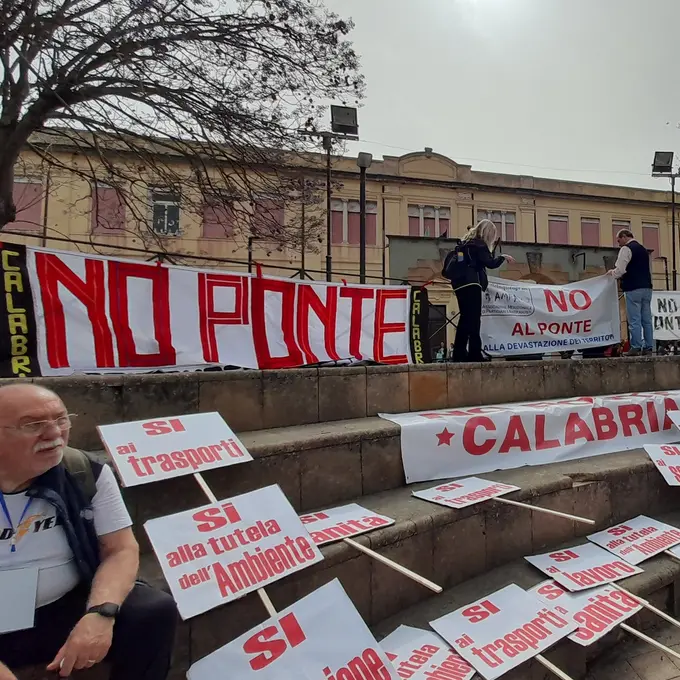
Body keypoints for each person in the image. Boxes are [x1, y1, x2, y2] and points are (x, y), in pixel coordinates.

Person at [0, 384, 177, 680]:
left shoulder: (82, 470)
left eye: (61, 420)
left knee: (152, 611)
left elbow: (120, 549)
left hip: (58, 605)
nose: (54, 434)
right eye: (32, 425)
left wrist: (101, 612)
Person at [442, 219, 515, 362]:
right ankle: (474, 353)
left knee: (464, 319)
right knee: (474, 320)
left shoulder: (465, 245)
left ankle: (459, 353)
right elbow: (490, 263)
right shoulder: (479, 245)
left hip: (459, 284)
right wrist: (502, 257)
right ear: (488, 233)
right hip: (472, 284)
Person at [607, 228, 653, 356]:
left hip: (633, 287)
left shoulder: (626, 249)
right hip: (647, 287)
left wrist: (612, 273)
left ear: (624, 237)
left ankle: (636, 346)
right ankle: (649, 347)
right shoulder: (643, 249)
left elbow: (621, 269)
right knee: (647, 320)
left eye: (619, 240)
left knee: (634, 319)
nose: (618, 244)